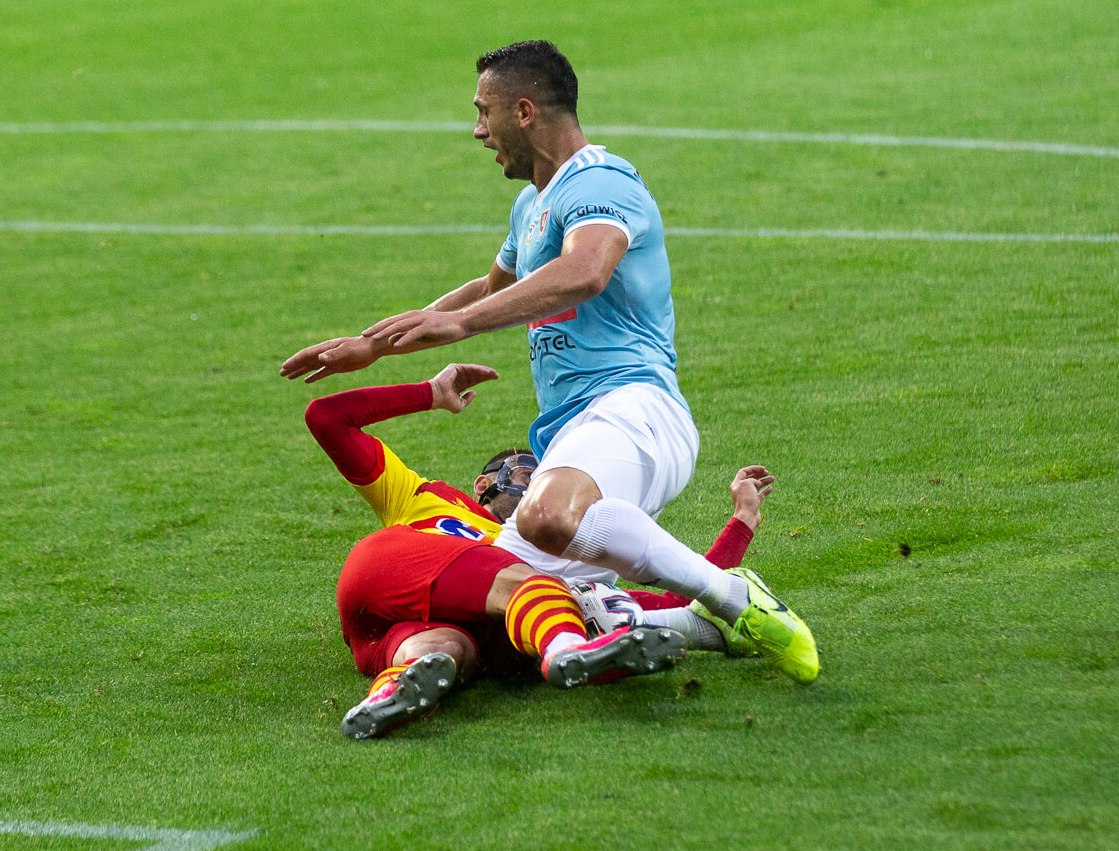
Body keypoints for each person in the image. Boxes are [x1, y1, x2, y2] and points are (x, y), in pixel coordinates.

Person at [282, 40, 818, 684]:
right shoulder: (530, 205)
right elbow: (487, 290)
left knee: (544, 514)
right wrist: (374, 345)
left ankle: (734, 595)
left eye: (483, 112)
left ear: (525, 111)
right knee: (503, 600)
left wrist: (462, 326)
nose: (478, 131)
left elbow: (587, 270)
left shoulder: (600, 180)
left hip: (633, 404)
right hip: (574, 433)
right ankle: (690, 627)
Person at [313, 364, 781, 740]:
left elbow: (690, 592)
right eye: (525, 473)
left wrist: (742, 521)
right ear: (483, 484)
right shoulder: (426, 498)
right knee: (539, 586)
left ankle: (389, 693)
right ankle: (567, 651)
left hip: (385, 637)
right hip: (388, 571)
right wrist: (429, 393)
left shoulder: (562, 555)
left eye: (546, 476)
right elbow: (326, 418)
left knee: (453, 652)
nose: (539, 484)